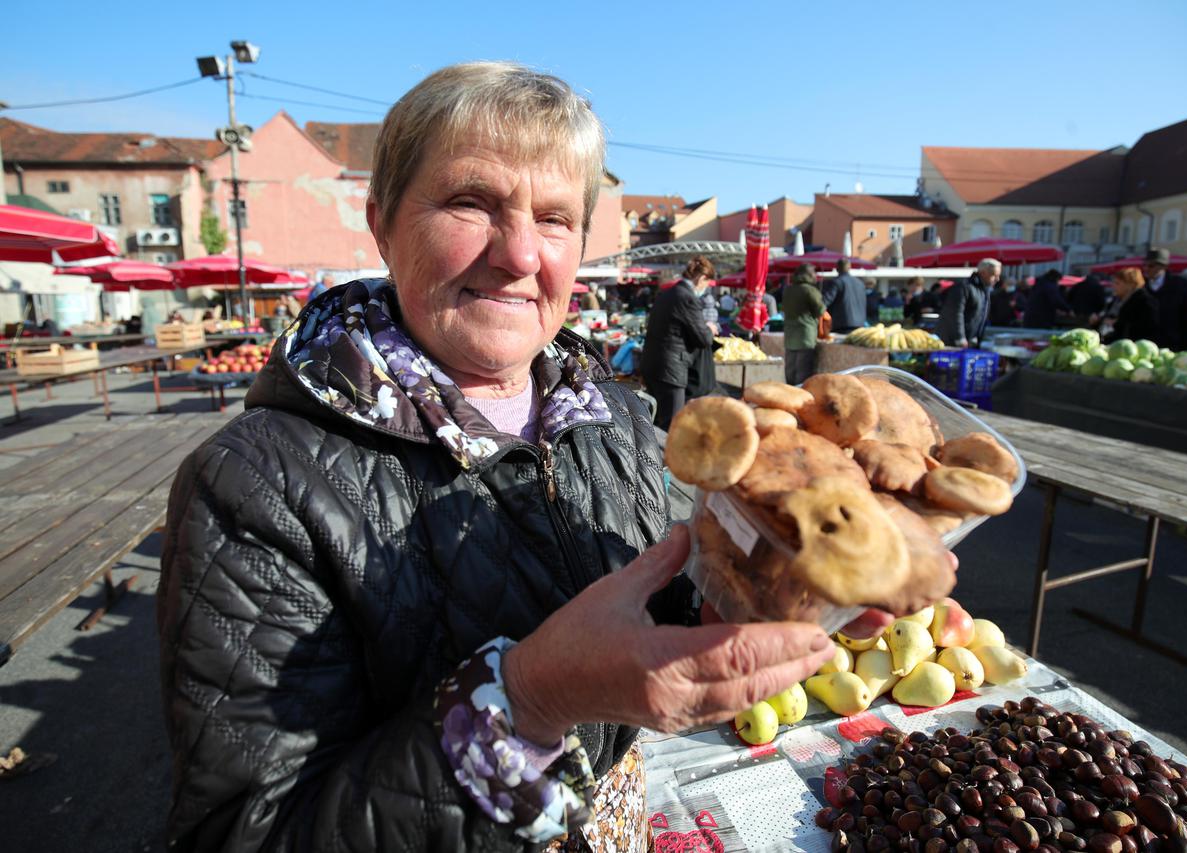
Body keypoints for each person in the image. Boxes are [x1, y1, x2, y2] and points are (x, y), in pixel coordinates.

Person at [160, 64, 904, 853]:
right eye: (471, 203)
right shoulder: (253, 484)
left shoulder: (613, 412)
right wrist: (527, 702)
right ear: (382, 225)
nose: (519, 254)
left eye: (553, 217)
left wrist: (748, 601)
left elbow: (662, 605)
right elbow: (244, 833)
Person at [641, 256, 718, 429]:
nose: (705, 289)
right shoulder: (687, 298)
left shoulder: (667, 294)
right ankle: (667, 457)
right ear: (701, 278)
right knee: (672, 427)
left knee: (657, 423)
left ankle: (654, 456)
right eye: (707, 284)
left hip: (654, 365)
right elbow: (703, 338)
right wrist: (710, 329)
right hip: (671, 371)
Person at [937, 258, 1001, 347]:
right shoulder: (964, 287)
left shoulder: (983, 290)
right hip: (953, 340)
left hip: (970, 339)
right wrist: (960, 337)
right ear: (983, 273)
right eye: (994, 275)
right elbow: (955, 313)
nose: (997, 279)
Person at [1142, 248, 1187, 350]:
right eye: (1144, 265)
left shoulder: (1181, 285)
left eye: (1151, 266)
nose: (1146, 269)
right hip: (1145, 344)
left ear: (1164, 267)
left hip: (1172, 344)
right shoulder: (1141, 285)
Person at [782, 263, 825, 384]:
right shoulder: (810, 290)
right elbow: (821, 310)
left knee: (790, 371)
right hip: (805, 335)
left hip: (790, 336)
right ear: (808, 275)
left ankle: (789, 397)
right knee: (803, 373)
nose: (816, 276)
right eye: (813, 273)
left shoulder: (788, 290)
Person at [1100, 267, 1160, 344]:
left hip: (1134, 345)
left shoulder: (1145, 302)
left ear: (1130, 285)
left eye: (1117, 283)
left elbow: (1146, 327)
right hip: (1113, 343)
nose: (1113, 286)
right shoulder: (1117, 300)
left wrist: (1116, 323)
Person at [822, 258, 867, 334]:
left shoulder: (837, 282)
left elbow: (825, 301)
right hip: (860, 324)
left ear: (837, 269)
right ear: (849, 267)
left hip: (843, 325)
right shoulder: (860, 283)